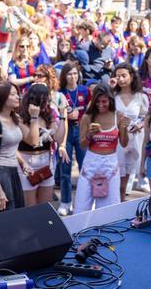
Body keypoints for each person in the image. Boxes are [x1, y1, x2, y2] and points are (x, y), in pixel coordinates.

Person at [0, 82, 39, 214]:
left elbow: (32, 141)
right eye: (12, 94)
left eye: (17, 94)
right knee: (7, 217)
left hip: (13, 171)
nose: (17, 97)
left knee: (15, 216)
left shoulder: (15, 118)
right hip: (0, 173)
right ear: (2, 98)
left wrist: (34, 117)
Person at [74, 84, 130, 213]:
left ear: (111, 100)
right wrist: (89, 135)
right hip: (91, 163)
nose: (100, 105)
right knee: (82, 207)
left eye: (104, 101)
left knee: (109, 210)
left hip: (110, 164)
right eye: (97, 101)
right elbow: (82, 145)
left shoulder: (119, 116)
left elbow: (124, 143)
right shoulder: (87, 117)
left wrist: (124, 128)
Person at [17, 84, 68, 207]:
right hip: (27, 163)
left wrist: (62, 116)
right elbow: (32, 142)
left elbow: (58, 138)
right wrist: (34, 117)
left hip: (45, 163)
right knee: (31, 208)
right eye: (45, 99)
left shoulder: (47, 115)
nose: (48, 103)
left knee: (45, 207)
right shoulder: (19, 117)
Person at [57, 61, 90, 215]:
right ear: (64, 76)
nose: (73, 77)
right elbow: (55, 113)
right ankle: (65, 201)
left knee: (85, 167)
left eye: (75, 73)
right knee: (65, 168)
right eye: (69, 74)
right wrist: (67, 115)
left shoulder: (85, 91)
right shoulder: (60, 93)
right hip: (66, 131)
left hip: (82, 130)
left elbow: (90, 111)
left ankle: (84, 200)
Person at [112, 63, 148, 201]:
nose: (120, 79)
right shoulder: (112, 96)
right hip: (116, 141)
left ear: (131, 77)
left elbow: (146, 117)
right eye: (117, 76)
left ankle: (121, 207)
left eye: (123, 76)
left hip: (134, 140)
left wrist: (140, 124)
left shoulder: (141, 97)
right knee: (117, 182)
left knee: (125, 184)